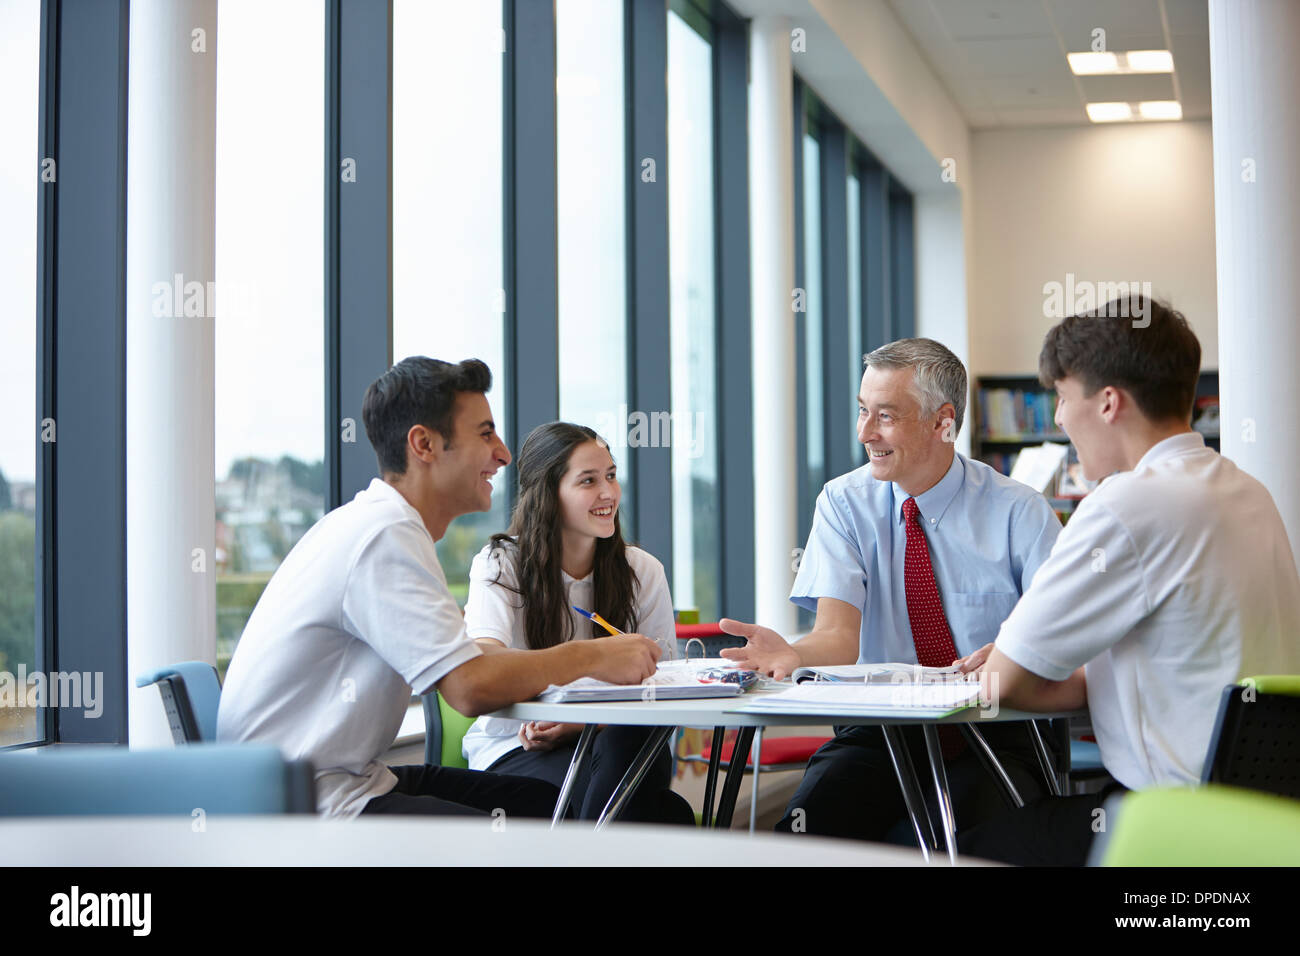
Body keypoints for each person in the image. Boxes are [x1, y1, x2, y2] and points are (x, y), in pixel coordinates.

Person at [216, 358, 663, 819]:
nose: (504, 454)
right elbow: (468, 688)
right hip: (310, 805)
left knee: (560, 811)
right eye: (485, 434)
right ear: (424, 444)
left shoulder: (385, 525)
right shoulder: (384, 536)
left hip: (344, 779)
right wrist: (594, 657)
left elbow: (470, 663)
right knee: (548, 841)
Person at [956, 297, 1300, 865]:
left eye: (1064, 397)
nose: (1061, 418)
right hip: (1263, 824)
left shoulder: (1128, 503)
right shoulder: (1247, 492)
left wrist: (1015, 661)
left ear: (1109, 402)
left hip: (1169, 829)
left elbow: (1003, 683)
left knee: (941, 847)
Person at [719, 338, 1062, 842]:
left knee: (971, 839)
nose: (864, 432)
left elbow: (1061, 640)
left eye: (885, 416)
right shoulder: (843, 503)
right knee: (807, 828)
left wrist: (1018, 656)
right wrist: (793, 653)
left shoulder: (1020, 512)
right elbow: (838, 636)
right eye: (862, 411)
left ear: (943, 421)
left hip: (997, 729)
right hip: (880, 730)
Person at [460, 422, 696, 825]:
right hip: (518, 748)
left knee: (631, 739)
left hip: (613, 741)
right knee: (669, 816)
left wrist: (584, 721)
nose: (608, 493)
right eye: (588, 481)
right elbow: (485, 663)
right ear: (548, 495)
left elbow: (666, 689)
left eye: (610, 475)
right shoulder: (501, 565)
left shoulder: (643, 571)